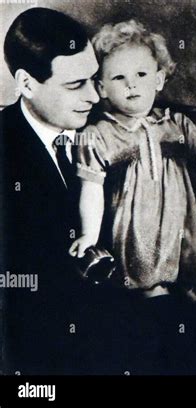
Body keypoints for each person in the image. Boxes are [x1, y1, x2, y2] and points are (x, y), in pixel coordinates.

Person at [68, 19, 196, 374]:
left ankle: (184, 321)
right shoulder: (99, 134)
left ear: (159, 78)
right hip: (133, 227)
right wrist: (90, 235)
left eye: (141, 75)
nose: (132, 85)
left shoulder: (177, 125)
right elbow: (91, 188)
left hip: (178, 226)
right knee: (139, 303)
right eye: (119, 78)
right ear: (102, 87)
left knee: (185, 306)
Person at [0, 7, 100, 374]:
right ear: (26, 83)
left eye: (94, 79)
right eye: (76, 85)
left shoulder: (112, 129)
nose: (95, 97)